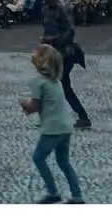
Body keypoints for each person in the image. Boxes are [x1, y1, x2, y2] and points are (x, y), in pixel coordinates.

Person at [23, 42, 84, 203]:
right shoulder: (56, 82)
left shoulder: (38, 82)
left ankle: (52, 192)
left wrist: (26, 106)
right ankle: (77, 196)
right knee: (64, 162)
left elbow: (35, 106)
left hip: (52, 129)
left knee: (38, 158)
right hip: (66, 127)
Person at [39, 0, 91, 131]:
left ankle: (83, 117)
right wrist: (45, 40)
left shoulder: (62, 8)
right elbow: (48, 27)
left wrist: (53, 40)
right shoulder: (45, 8)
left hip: (65, 54)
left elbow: (70, 32)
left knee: (64, 87)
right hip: (52, 53)